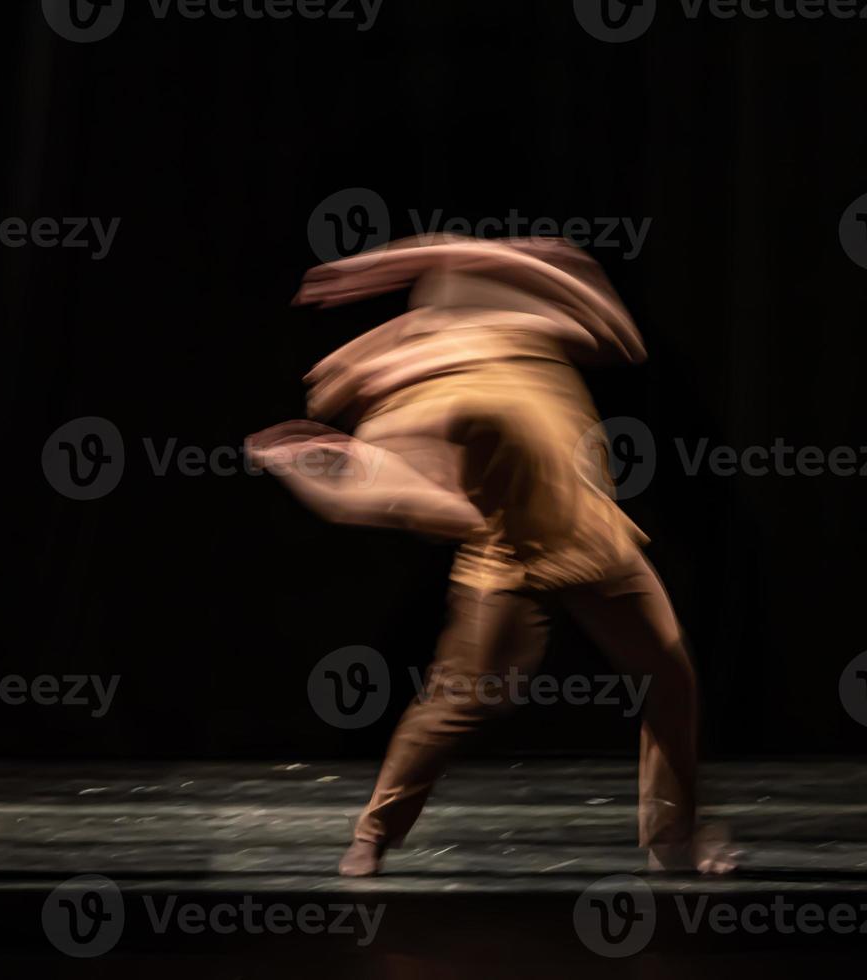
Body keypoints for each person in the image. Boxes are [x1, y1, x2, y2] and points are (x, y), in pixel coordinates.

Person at [247, 234, 735, 876]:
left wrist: (407, 261)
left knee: (671, 677)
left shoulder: (510, 334)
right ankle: (373, 834)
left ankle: (672, 837)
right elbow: (432, 509)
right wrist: (323, 467)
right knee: (456, 704)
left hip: (597, 541)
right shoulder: (415, 408)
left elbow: (614, 328)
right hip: (510, 565)